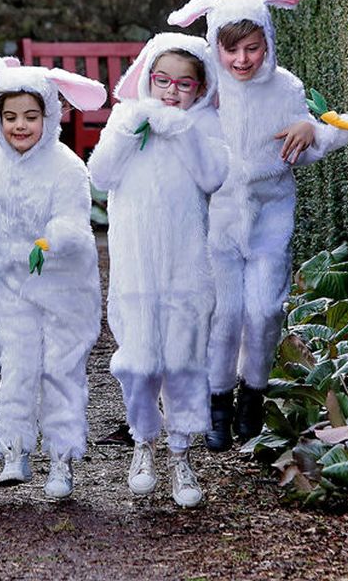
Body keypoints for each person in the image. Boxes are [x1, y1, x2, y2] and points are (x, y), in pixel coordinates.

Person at [168, 0, 348, 451]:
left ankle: (252, 392)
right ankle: (218, 401)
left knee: (264, 310)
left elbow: (341, 128)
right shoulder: (205, 87)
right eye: (230, 48)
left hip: (271, 218)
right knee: (225, 313)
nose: (241, 59)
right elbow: (164, 115)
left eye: (253, 47)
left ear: (268, 42)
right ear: (214, 44)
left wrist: (311, 127)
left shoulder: (287, 87)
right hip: (218, 219)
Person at [0, 44, 106, 499]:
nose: (20, 126)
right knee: (16, 363)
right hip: (13, 284)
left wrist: (50, 240)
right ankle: (15, 449)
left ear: (49, 117)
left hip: (63, 286)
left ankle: (61, 457)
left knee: (59, 367)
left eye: (31, 117)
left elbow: (75, 222)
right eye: (10, 116)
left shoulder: (67, 168)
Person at [87, 34, 229, 507]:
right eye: (163, 80)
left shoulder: (204, 126)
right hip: (136, 266)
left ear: (200, 88)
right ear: (148, 78)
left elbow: (213, 176)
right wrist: (133, 128)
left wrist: (181, 128)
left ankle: (181, 453)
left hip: (186, 265)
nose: (171, 91)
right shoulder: (128, 117)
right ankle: (143, 441)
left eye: (184, 84)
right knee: (140, 359)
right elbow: (100, 175)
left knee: (183, 357)